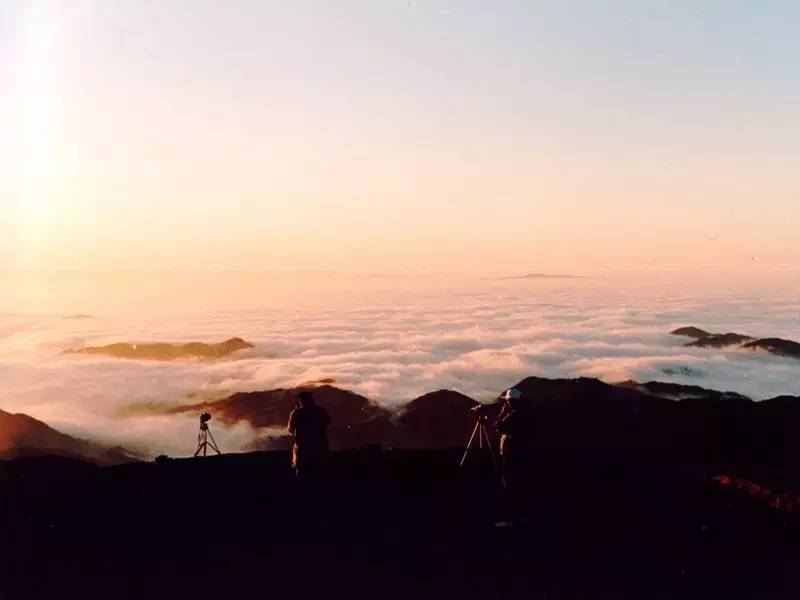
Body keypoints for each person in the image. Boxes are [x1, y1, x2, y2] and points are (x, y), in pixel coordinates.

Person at [495, 387, 530, 523]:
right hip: (521, 453)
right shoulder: (524, 415)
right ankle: (521, 516)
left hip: (510, 455)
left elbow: (498, 427)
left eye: (507, 402)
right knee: (519, 484)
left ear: (510, 402)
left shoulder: (512, 416)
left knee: (509, 484)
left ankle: (510, 517)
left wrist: (502, 413)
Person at [287, 390, 331, 478]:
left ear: (301, 400)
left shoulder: (297, 413)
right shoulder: (321, 411)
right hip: (320, 448)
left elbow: (290, 429)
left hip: (303, 450)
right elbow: (327, 423)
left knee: (302, 474)